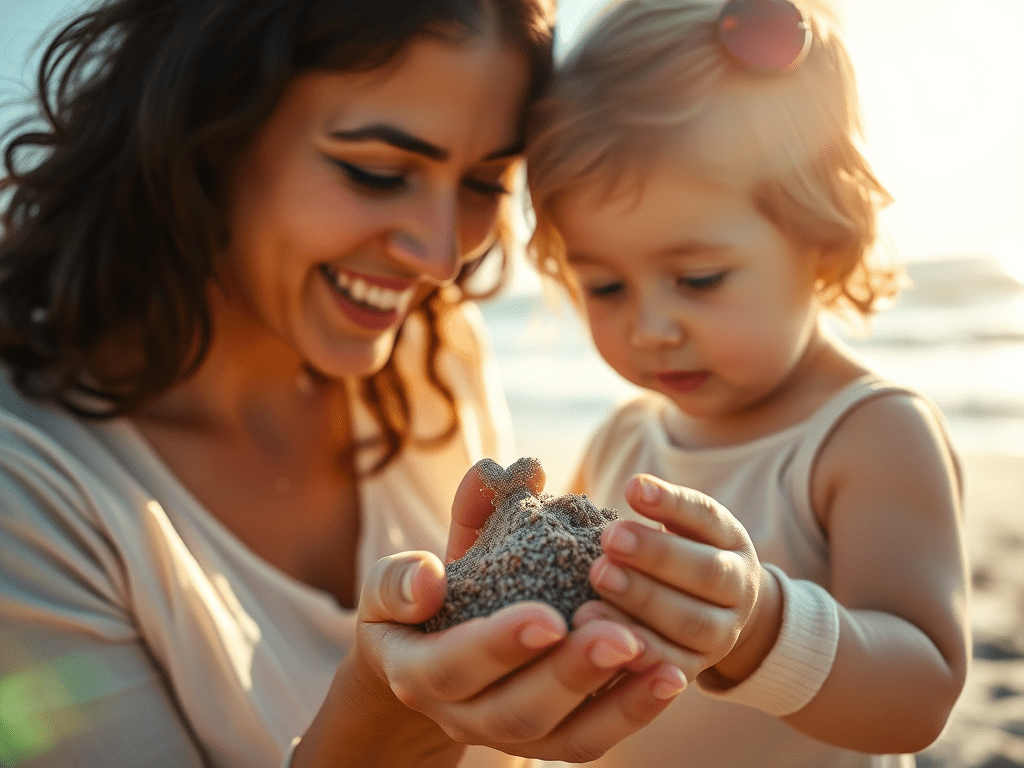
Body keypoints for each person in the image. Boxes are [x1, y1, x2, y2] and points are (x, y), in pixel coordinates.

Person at [0, 1, 766, 766]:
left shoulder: (436, 358)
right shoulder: (26, 489)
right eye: (378, 173)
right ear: (207, 127)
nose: (440, 259)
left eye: (484, 183)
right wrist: (383, 725)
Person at [525, 0, 971, 765]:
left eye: (697, 278)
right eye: (603, 287)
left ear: (823, 242)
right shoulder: (623, 437)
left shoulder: (867, 436)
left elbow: (921, 693)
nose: (649, 328)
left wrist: (759, 626)